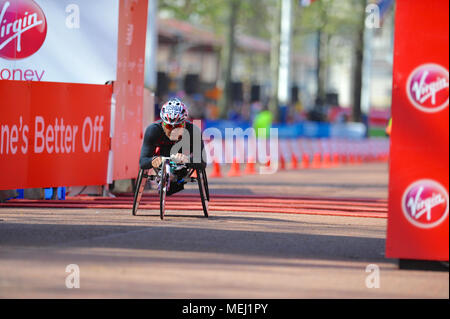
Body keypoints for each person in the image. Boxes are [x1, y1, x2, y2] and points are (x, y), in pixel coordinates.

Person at [139, 98, 206, 196]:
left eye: (178, 126)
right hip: (162, 159)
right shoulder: (153, 130)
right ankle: (166, 176)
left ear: (184, 124)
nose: (173, 130)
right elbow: (142, 162)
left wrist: (187, 159)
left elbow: (202, 163)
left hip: (183, 163)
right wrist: (153, 160)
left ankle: (174, 177)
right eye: (169, 126)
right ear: (162, 123)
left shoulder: (193, 131)